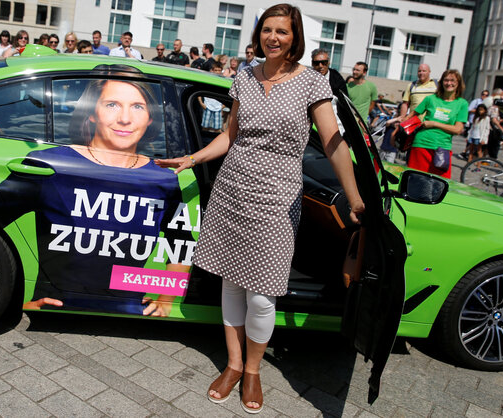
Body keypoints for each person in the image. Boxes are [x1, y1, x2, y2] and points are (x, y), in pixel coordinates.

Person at [155, 4, 363, 414]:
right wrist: (193, 158)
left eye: (281, 32)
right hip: (232, 189)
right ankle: (232, 365)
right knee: (231, 284)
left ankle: (253, 370)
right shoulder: (245, 75)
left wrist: (355, 195)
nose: (273, 37)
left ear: (294, 37)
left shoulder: (311, 83)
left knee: (264, 295)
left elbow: (334, 141)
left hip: (278, 199)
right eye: (267, 30)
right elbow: (230, 134)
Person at [0, 69, 188, 316]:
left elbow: (180, 245)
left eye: (138, 107)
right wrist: (14, 302)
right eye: (112, 104)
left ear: (151, 118)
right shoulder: (52, 164)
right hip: (57, 311)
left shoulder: (162, 178)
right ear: (92, 113)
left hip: (128, 314)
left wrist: (167, 299)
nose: (125, 118)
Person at [405, 69, 469, 178]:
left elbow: (458, 129)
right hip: (421, 145)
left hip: (442, 148)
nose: (449, 83)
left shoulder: (462, 103)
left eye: (452, 80)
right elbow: (411, 116)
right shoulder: (431, 99)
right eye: (446, 80)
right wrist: (397, 128)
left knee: (439, 184)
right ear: (441, 82)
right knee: (415, 181)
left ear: (458, 83)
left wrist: (434, 124)